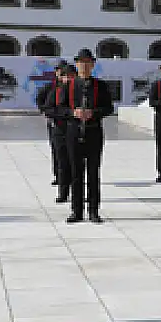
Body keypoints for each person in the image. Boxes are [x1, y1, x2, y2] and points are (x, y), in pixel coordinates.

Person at [64, 48, 113, 223]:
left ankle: (93, 210)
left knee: (93, 172)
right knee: (76, 173)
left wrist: (94, 113)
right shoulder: (68, 86)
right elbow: (56, 109)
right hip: (73, 132)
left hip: (93, 132)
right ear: (76, 65)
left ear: (92, 65)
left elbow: (109, 108)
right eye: (81, 62)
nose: (84, 66)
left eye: (87, 62)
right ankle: (76, 211)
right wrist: (72, 112)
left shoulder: (100, 86)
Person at [40, 63, 77, 203]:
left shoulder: (81, 91)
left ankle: (77, 192)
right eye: (67, 77)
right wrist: (64, 114)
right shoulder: (55, 91)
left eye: (72, 76)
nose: (69, 80)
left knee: (76, 164)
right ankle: (63, 192)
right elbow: (48, 108)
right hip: (60, 131)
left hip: (77, 132)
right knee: (62, 162)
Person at [37, 61, 68, 186]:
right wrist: (44, 111)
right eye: (59, 70)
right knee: (56, 150)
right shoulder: (50, 87)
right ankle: (58, 175)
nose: (60, 73)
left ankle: (68, 175)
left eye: (63, 71)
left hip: (69, 123)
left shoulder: (72, 86)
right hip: (55, 123)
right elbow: (40, 99)